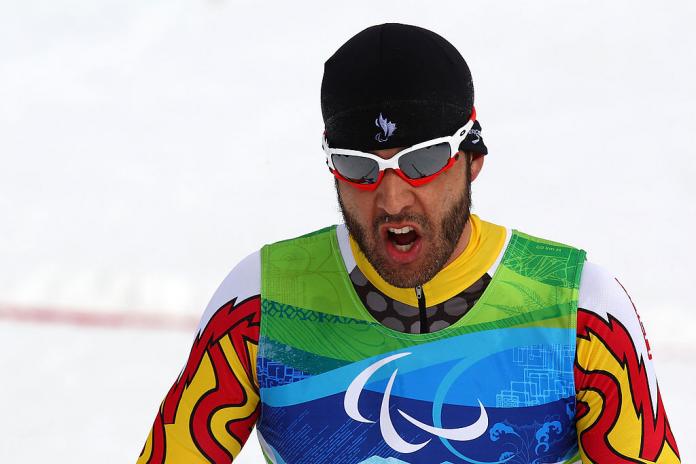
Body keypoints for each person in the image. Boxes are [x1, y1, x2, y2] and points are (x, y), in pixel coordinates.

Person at [136, 23, 680, 464]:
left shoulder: (579, 310)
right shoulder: (261, 304)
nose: (392, 198)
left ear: (474, 158)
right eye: (358, 167)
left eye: (420, 163)